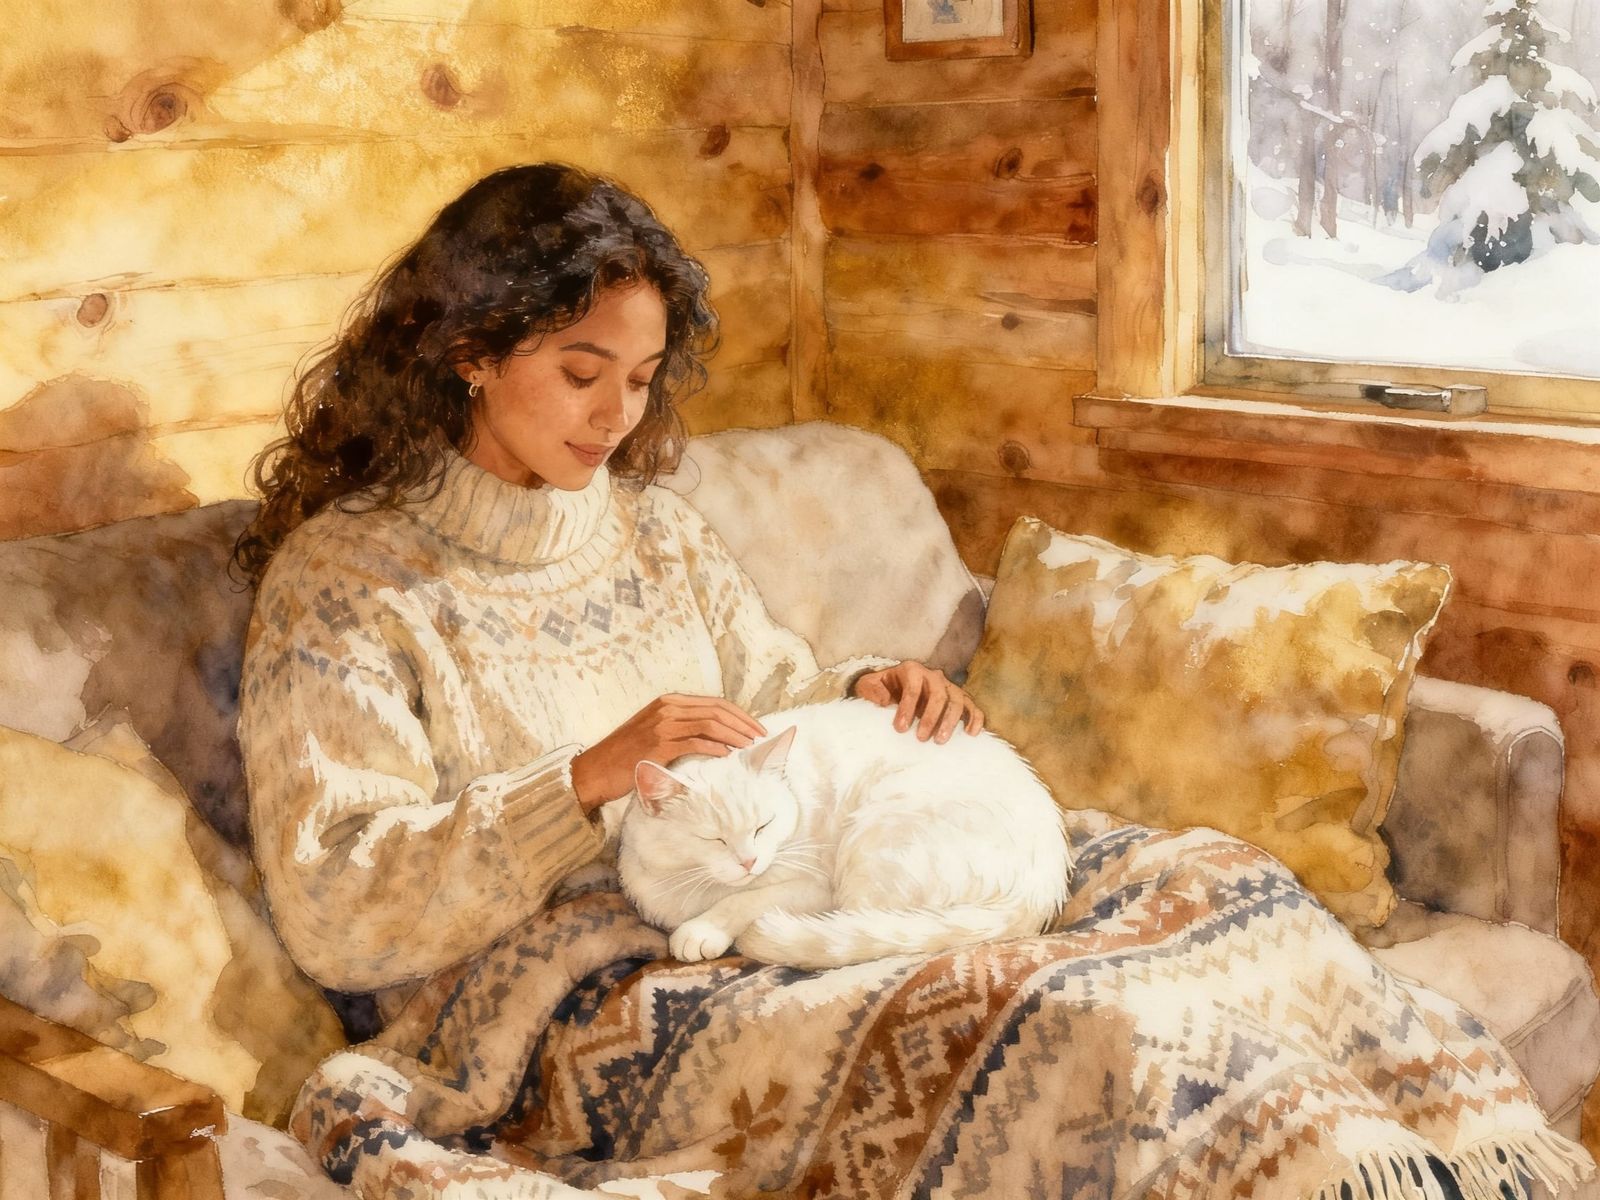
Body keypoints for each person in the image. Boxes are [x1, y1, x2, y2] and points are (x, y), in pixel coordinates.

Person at [233, 161, 986, 1020]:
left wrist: (862, 691)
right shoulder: (344, 583)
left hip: (734, 928)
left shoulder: (657, 533)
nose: (617, 418)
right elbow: (333, 907)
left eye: (640, 379)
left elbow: (771, 701)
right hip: (546, 1011)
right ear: (469, 353)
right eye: (583, 376)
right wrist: (584, 783)